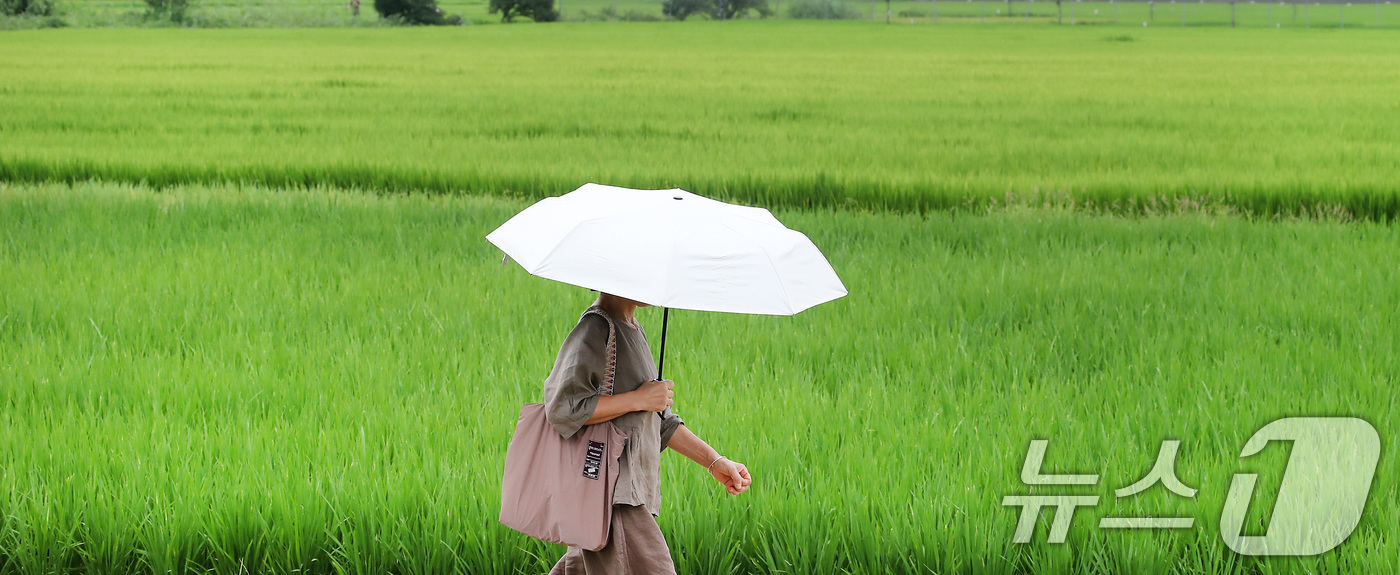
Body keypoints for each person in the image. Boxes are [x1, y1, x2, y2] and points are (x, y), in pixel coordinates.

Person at [544, 292, 752, 574]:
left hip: (623, 494)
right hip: (614, 497)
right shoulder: (596, 328)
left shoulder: (631, 328)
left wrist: (715, 461)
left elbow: (661, 423)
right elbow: (563, 408)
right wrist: (638, 399)